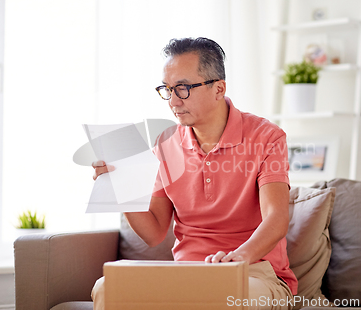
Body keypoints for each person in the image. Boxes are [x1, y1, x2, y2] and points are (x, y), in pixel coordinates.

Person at [91, 37, 297, 310]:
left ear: (218, 88)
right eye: (167, 89)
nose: (173, 100)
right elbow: (154, 233)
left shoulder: (266, 137)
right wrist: (120, 187)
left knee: (224, 299)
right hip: (187, 273)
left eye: (183, 88)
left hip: (255, 272)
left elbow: (277, 218)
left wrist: (238, 257)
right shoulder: (165, 143)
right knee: (106, 287)